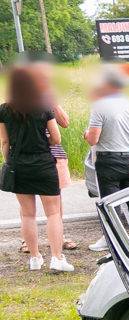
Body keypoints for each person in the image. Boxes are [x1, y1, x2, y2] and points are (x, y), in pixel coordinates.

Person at [0, 65, 73, 272]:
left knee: (27, 214)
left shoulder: (4, 109)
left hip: (18, 164)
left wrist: (10, 160)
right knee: (53, 214)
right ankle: (57, 258)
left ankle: (34, 257)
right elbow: (56, 138)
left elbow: (4, 143)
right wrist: (43, 142)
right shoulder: (43, 106)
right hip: (43, 163)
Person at [85, 66, 129, 252]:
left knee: (110, 204)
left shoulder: (100, 106)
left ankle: (112, 239)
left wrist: (86, 135)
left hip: (108, 160)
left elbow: (93, 138)